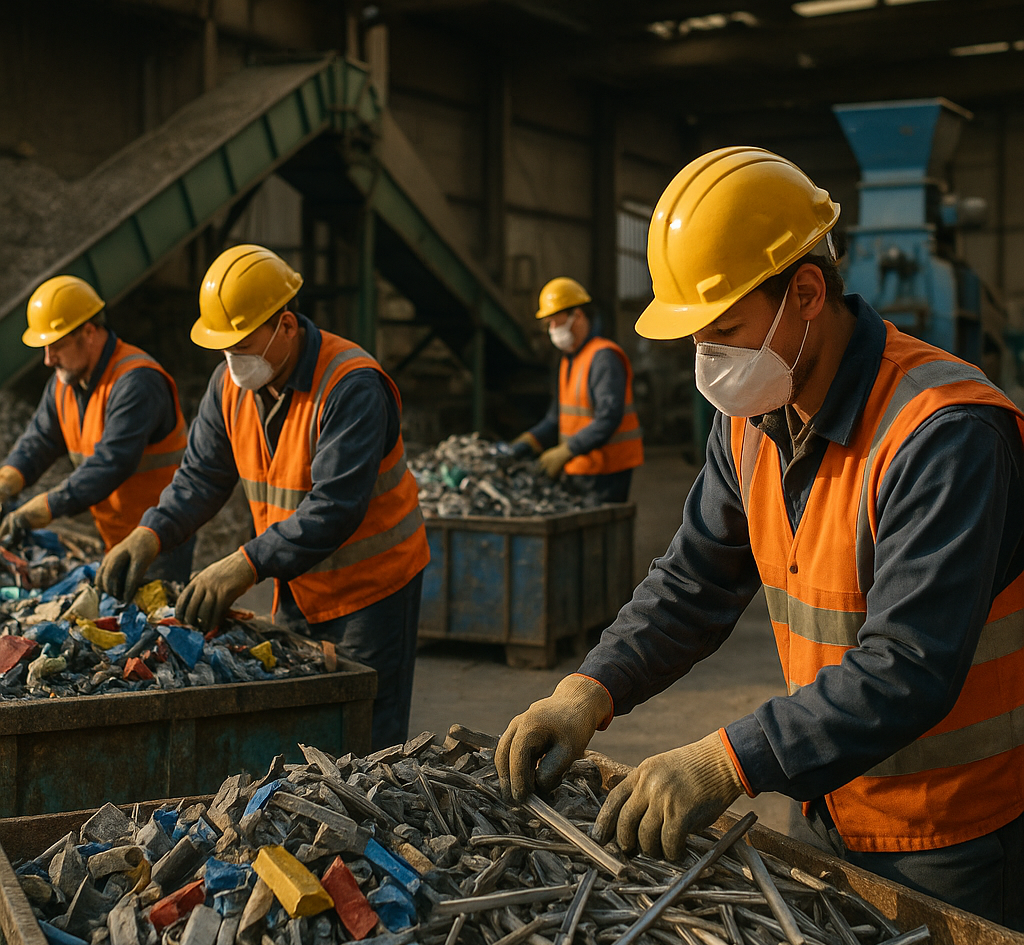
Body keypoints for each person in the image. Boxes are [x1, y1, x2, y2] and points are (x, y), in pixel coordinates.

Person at [496, 148, 1024, 930]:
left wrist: (724, 760)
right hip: (827, 799)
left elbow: (909, 665)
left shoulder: (944, 434)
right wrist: (589, 689)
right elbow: (693, 583)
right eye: (697, 337)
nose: (709, 361)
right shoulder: (750, 422)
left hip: (954, 832)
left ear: (806, 292)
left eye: (725, 330)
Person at [96, 244, 430, 749]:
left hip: (373, 591)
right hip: (296, 582)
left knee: (367, 743)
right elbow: (201, 478)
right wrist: (151, 531)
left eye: (243, 341)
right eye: (224, 346)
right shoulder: (230, 386)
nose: (233, 358)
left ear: (287, 327)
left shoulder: (351, 385)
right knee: (306, 734)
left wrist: (243, 564)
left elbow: (335, 507)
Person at [0, 275, 192, 581]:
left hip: (159, 539)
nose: (48, 360)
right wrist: (9, 477)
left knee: (157, 621)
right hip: (115, 535)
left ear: (88, 332)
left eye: (57, 347)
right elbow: (39, 440)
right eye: (45, 348)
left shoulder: (137, 382)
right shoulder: (66, 382)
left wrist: (49, 505)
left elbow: (112, 462)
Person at [511, 277, 643, 503]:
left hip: (607, 472)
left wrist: (566, 451)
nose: (552, 330)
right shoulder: (568, 361)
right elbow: (556, 418)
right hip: (580, 468)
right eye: (549, 324)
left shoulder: (604, 358)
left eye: (555, 322)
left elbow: (608, 418)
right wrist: (528, 441)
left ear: (578, 316)